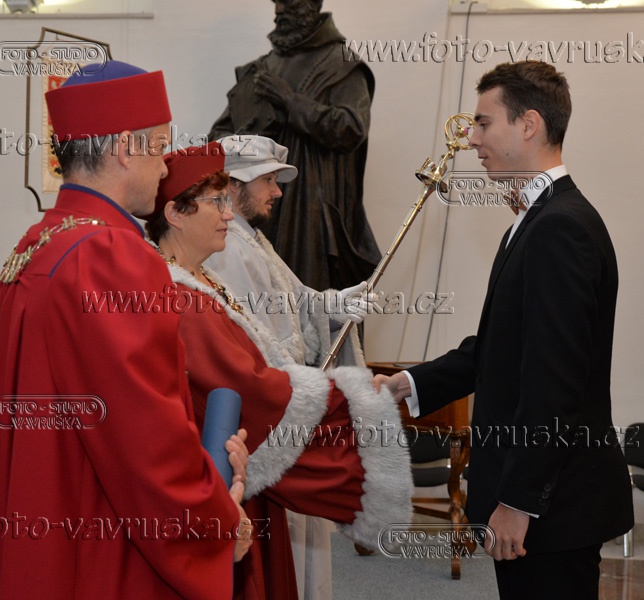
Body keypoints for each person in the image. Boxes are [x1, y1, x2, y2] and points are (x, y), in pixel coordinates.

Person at [0, 61, 252, 600]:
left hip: (42, 519)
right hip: (99, 540)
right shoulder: (112, 254)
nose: (165, 166)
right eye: (159, 147)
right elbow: (147, 438)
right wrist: (212, 521)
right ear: (125, 148)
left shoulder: (38, 242)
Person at [375, 61, 633, 599]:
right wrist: (410, 383)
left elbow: (554, 380)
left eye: (483, 123)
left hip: (551, 507)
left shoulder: (559, 227)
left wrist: (519, 501)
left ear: (528, 124)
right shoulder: (536, 221)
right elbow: (500, 348)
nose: (472, 139)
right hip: (546, 501)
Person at [144, 142, 413, 600]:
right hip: (227, 469)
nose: (227, 214)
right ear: (176, 213)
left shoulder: (207, 275)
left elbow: (287, 310)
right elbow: (244, 384)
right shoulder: (181, 295)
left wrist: (332, 308)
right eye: (216, 202)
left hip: (246, 460)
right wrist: (343, 398)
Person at [204, 134, 374, 599]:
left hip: (292, 404)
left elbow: (297, 302)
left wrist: (336, 304)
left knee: (299, 544)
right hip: (274, 413)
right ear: (233, 184)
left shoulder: (251, 238)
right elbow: (255, 344)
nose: (277, 192)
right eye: (267, 180)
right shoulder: (227, 247)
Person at [210, 0, 381, 291]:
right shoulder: (261, 68)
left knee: (309, 294)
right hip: (253, 207)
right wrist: (252, 137)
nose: (279, 10)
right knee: (255, 294)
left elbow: (350, 129)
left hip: (309, 209)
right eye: (276, 2)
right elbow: (218, 137)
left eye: (288, 3)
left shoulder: (341, 65)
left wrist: (290, 101)